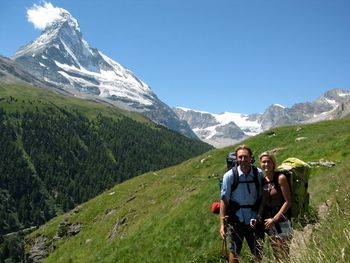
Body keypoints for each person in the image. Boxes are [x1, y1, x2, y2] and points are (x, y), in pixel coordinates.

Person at [219, 145, 264, 262]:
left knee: (258, 252)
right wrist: (222, 225)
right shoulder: (229, 176)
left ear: (251, 158)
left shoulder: (258, 174)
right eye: (240, 157)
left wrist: (259, 214)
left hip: (254, 220)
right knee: (234, 252)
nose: (243, 160)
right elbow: (224, 200)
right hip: (236, 220)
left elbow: (262, 197)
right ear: (236, 159)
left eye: (246, 157)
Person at [254, 151, 293, 262]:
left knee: (284, 252)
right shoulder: (263, 180)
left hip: (282, 219)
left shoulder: (280, 178)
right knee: (275, 251)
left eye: (268, 162)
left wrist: (275, 219)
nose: (266, 164)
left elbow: (287, 202)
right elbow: (264, 201)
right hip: (269, 220)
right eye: (263, 162)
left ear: (273, 163)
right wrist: (258, 215)